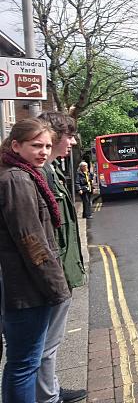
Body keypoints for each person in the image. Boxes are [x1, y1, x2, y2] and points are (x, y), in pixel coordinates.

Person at [0, 118, 71, 403]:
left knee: (22, 362)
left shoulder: (20, 174)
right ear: (16, 145)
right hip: (27, 290)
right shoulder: (17, 179)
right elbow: (32, 240)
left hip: (23, 285)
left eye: (47, 146)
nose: (43, 152)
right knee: (25, 363)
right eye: (36, 146)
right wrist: (57, 288)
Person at [37, 112, 87, 403]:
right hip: (51, 274)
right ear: (54, 135)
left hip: (59, 270)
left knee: (49, 344)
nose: (73, 141)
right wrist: (54, 275)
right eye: (69, 135)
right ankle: (47, 396)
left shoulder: (51, 170)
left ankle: (50, 389)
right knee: (45, 344)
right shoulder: (40, 173)